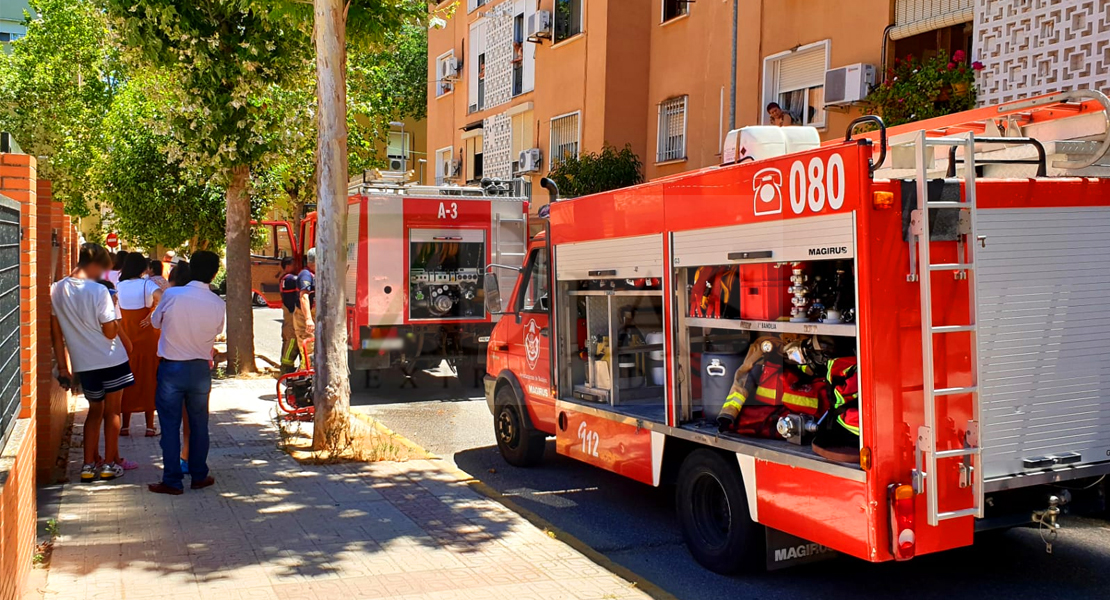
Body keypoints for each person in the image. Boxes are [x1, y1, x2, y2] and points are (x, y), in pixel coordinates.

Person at [50, 244, 135, 482]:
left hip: (84, 364)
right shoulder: (99, 292)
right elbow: (110, 333)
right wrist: (115, 314)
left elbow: (56, 335)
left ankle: (87, 466)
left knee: (94, 412)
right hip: (111, 359)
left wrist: (64, 367)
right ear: (96, 265)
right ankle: (109, 464)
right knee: (113, 412)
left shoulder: (56, 290)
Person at [148, 251, 224, 495]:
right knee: (199, 424)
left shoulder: (172, 294)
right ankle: (199, 474)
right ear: (214, 273)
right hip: (200, 369)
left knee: (170, 425)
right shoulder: (218, 303)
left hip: (172, 367)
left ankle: (172, 479)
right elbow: (218, 330)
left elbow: (155, 323)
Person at [117, 253, 162, 438]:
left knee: (127, 378)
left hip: (125, 337)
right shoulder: (147, 284)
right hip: (147, 338)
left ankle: (125, 426)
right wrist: (151, 314)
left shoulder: (118, 286)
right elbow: (164, 298)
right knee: (149, 378)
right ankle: (150, 427)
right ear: (142, 268)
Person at [292, 248, 316, 368]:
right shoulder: (305, 275)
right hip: (304, 316)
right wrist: (308, 319)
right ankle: (303, 380)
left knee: (315, 352)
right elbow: (304, 297)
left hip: (314, 314)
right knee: (309, 351)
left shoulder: (314, 274)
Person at [278, 257, 299, 374]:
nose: (296, 267)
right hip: (291, 315)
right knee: (291, 340)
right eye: (293, 264)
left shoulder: (284, 278)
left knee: (287, 340)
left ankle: (285, 365)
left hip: (288, 315)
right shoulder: (290, 278)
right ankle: (286, 367)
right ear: (287, 266)